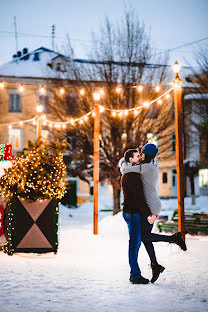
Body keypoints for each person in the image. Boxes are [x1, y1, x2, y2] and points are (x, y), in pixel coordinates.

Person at [120, 144, 187, 283]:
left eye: (142, 154)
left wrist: (125, 161)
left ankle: (173, 240)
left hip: (151, 206)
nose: (141, 156)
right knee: (145, 237)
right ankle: (155, 265)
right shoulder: (149, 165)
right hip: (149, 206)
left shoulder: (145, 168)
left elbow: (125, 168)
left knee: (145, 236)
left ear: (146, 155)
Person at [120, 149, 152, 284]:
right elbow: (138, 197)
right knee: (134, 244)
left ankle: (134, 273)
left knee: (135, 243)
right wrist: (147, 212)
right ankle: (134, 275)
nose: (140, 158)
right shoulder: (132, 175)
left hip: (131, 212)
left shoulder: (129, 173)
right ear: (130, 160)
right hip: (133, 213)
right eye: (137, 156)